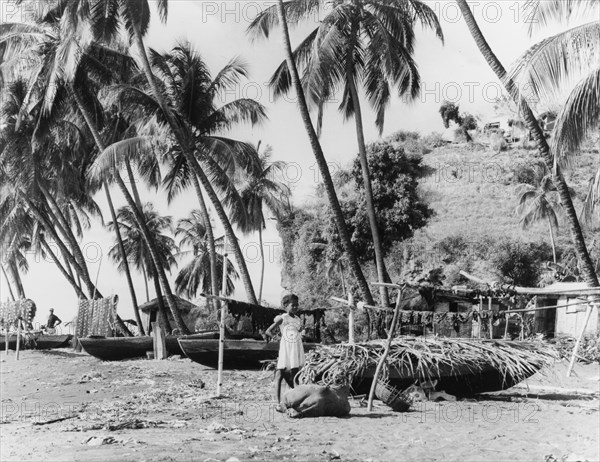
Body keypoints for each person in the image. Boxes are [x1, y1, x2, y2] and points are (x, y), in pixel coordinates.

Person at [264, 294, 305, 411]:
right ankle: (277, 403)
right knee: (280, 374)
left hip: (296, 347)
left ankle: (292, 401)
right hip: (286, 348)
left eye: (297, 305)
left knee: (294, 374)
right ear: (286, 306)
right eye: (293, 305)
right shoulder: (283, 318)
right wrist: (278, 339)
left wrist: (302, 335)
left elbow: (298, 332)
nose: (296, 307)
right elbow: (268, 331)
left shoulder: (297, 319)